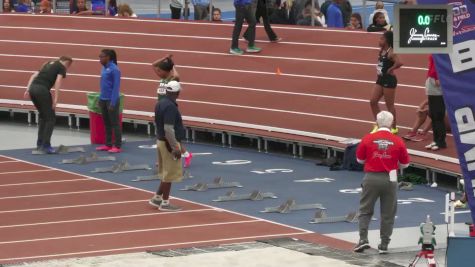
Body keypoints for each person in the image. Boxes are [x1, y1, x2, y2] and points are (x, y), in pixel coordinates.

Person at [354, 111, 410, 254]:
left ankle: (363, 240)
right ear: (391, 123)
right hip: (390, 177)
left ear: (377, 122)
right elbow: (405, 164)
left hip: (371, 176)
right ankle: (384, 244)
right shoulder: (397, 141)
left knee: (365, 209)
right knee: (388, 213)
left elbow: (360, 160)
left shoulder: (368, 138)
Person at [149, 80, 186, 212]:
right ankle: (165, 203)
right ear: (177, 92)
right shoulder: (170, 106)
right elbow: (169, 129)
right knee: (169, 174)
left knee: (166, 172)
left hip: (160, 141)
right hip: (168, 143)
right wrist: (175, 147)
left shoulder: (160, 103)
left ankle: (157, 197)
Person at [24, 56, 73, 154]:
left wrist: (27, 89)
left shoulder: (47, 63)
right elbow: (58, 81)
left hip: (33, 89)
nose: (67, 68)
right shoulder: (61, 67)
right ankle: (46, 145)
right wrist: (56, 98)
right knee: (51, 118)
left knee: (43, 116)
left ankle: (40, 144)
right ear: (66, 63)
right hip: (42, 90)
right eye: (69, 66)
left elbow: (33, 76)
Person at [152, 55, 193, 167]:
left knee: (170, 136)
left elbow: (177, 75)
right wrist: (164, 57)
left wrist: (172, 65)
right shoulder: (162, 78)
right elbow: (153, 65)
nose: (158, 71)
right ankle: (162, 159)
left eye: (160, 70)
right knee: (160, 135)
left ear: (167, 71)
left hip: (168, 109)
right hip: (161, 108)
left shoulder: (172, 80)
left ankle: (186, 154)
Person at [369, 31, 403, 134]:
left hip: (389, 80)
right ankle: (379, 124)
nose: (379, 40)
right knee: (373, 101)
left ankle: (393, 128)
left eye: (382, 39)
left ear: (387, 41)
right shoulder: (382, 50)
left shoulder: (391, 52)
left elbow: (400, 62)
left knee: (390, 106)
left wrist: (391, 69)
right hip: (380, 79)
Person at [95, 49, 122, 153]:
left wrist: (113, 102)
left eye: (101, 57)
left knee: (115, 123)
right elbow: (103, 85)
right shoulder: (103, 68)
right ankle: (108, 144)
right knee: (106, 123)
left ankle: (117, 146)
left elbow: (116, 87)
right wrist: (100, 98)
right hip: (103, 99)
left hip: (111, 100)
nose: (100, 59)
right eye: (99, 57)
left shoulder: (115, 69)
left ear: (108, 57)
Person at [424, 55, 447, 151]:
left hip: (437, 80)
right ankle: (435, 139)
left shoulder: (442, 50)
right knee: (433, 115)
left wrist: (438, 77)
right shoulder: (435, 48)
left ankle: (441, 142)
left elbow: (441, 64)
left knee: (438, 115)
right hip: (431, 79)